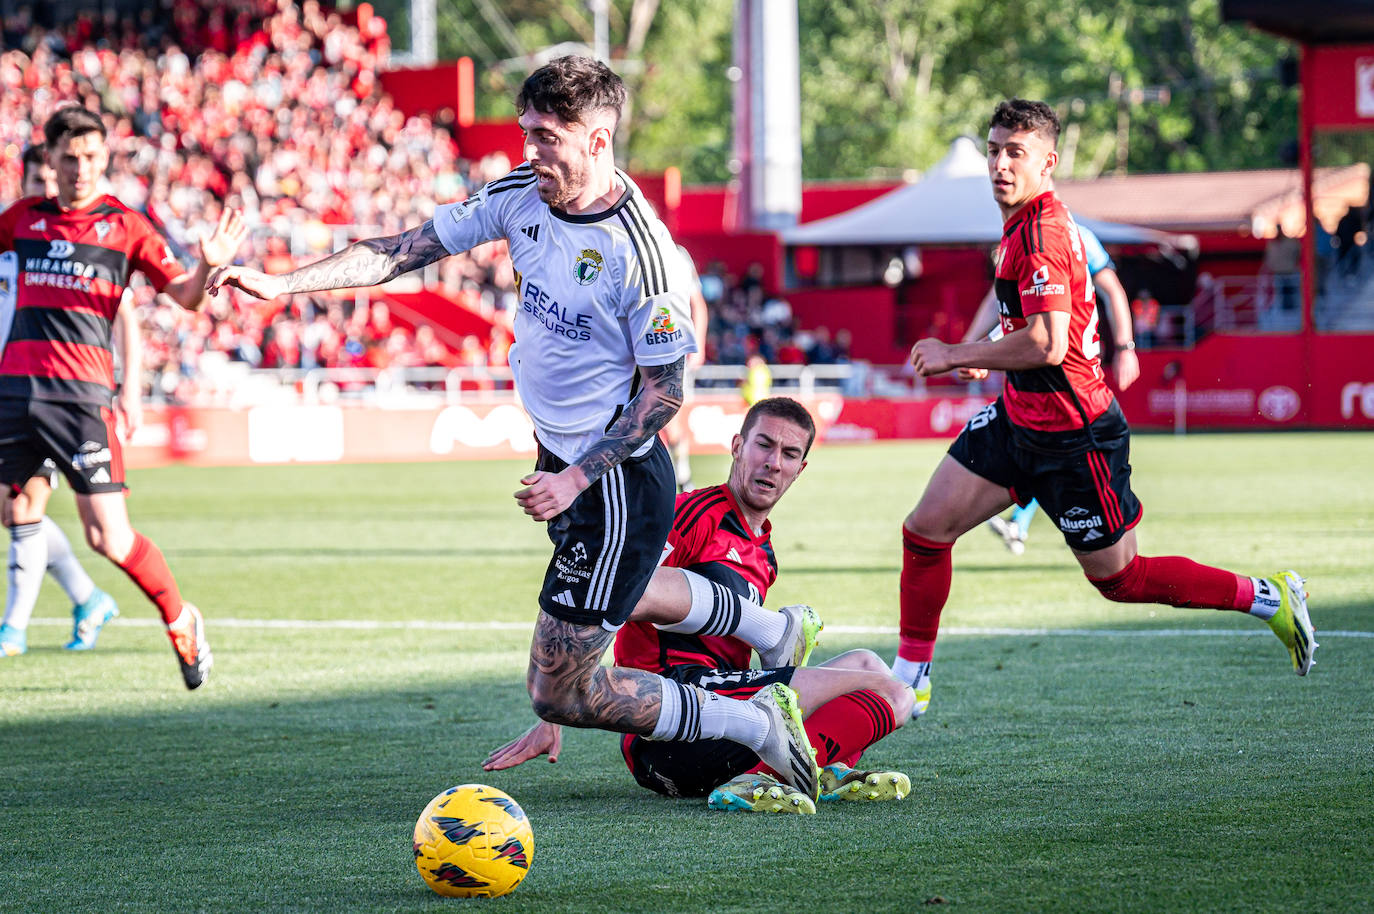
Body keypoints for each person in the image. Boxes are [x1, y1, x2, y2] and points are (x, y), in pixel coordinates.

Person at [208, 57, 821, 799]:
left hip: (612, 482)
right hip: (562, 462)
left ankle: (752, 724)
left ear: (599, 141)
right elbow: (404, 249)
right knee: (620, 605)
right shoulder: (521, 196)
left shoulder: (644, 255)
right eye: (526, 132)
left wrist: (575, 477)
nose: (530, 150)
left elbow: (664, 395)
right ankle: (770, 633)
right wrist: (282, 284)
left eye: (548, 137)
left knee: (559, 693)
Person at [896, 99, 1316, 719]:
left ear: (1049, 163)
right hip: (1019, 422)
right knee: (925, 530)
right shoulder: (1020, 227)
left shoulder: (1040, 233)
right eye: (994, 150)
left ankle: (1267, 596)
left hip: (1076, 439)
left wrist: (958, 353)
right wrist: (990, 351)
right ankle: (912, 676)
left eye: (1017, 153)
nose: (1001, 165)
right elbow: (1032, 332)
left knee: (1121, 579)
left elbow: (1048, 341)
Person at [483, 398, 913, 813]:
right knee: (894, 693)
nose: (772, 462)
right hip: (667, 718)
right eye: (763, 444)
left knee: (870, 667)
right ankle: (766, 778)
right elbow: (609, 593)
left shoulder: (765, 554)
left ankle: (815, 769)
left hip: (727, 699)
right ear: (737, 446)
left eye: (788, 453)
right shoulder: (693, 514)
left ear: (800, 470)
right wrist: (556, 710)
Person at [0, 107, 246, 686]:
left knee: (106, 535)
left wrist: (207, 265)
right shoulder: (19, 220)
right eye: (69, 158)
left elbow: (185, 297)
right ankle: (55, 610)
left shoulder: (125, 226)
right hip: (15, 394)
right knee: (16, 511)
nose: (80, 169)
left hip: (81, 401)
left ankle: (181, 618)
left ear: (104, 159)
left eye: (91, 157)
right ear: (50, 160)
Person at [0, 144, 137, 655]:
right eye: (35, 180)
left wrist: (131, 389)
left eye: (48, 180)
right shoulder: (12, 237)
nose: (45, 189)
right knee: (13, 512)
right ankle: (87, 597)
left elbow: (126, 314)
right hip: (11, 390)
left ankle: (12, 629)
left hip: (57, 391)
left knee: (26, 504)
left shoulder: (76, 241)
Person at [964, 223, 1140, 554]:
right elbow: (1004, 303)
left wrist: (1126, 346)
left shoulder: (1075, 235)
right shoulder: (1012, 237)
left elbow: (1108, 292)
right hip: (1029, 382)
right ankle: (1018, 522)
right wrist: (970, 347)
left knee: (1122, 573)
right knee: (929, 526)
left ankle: (1021, 523)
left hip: (1071, 381)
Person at [659, 245, 709, 492]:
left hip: (672, 348)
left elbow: (697, 303)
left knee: (671, 417)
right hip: (636, 350)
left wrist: (698, 344)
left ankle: (682, 474)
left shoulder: (677, 254)